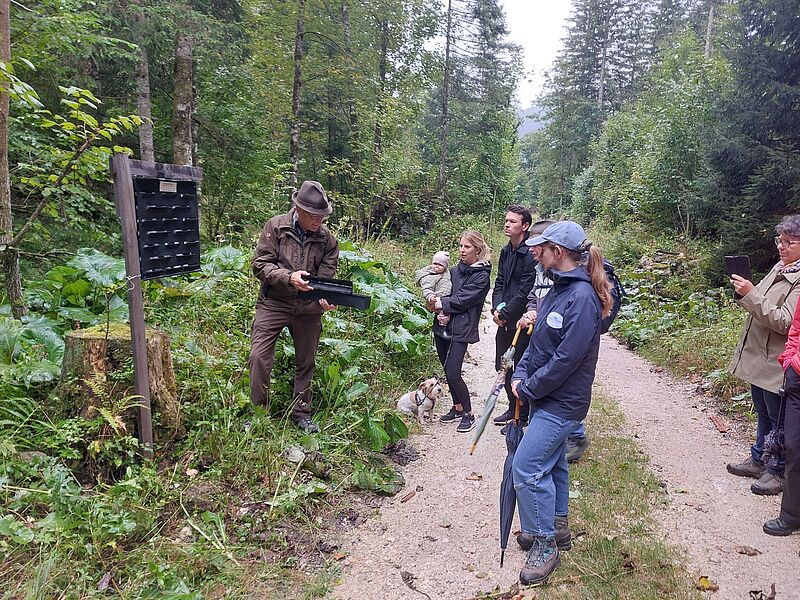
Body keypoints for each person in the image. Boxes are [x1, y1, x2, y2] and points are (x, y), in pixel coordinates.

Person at [509, 221, 612, 585]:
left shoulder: (581, 299)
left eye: (543, 247)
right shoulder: (558, 289)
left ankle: (545, 544)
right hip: (545, 395)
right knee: (552, 465)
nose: (537, 252)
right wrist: (519, 375)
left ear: (559, 252)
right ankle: (558, 525)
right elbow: (540, 345)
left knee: (527, 466)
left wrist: (531, 388)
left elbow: (567, 359)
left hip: (563, 404)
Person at [249, 180, 339, 433]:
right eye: (313, 216)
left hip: (308, 309)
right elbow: (260, 265)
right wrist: (288, 277)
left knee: (306, 361)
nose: (318, 221)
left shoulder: (327, 241)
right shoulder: (276, 227)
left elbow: (325, 278)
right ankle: (259, 415)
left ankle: (301, 413)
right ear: (298, 209)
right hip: (274, 302)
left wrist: (324, 298)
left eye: (322, 216)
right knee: (259, 357)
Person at [727, 215, 800, 495]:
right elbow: (761, 301)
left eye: (789, 243)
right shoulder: (781, 267)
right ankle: (759, 459)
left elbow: (785, 321)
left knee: (778, 417)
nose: (781, 247)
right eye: (779, 241)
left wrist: (751, 294)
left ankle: (777, 471)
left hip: (778, 361)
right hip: (760, 356)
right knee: (762, 412)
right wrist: (745, 291)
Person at [428, 231, 492, 434]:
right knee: (447, 369)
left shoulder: (482, 276)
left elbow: (464, 299)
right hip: (442, 324)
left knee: (454, 372)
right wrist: (433, 300)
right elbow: (440, 287)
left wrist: (442, 304)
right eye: (461, 246)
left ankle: (468, 413)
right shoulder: (453, 270)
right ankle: (457, 408)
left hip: (462, 327)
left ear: (478, 250)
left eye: (467, 247)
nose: (462, 250)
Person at [490, 206, 537, 425]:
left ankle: (523, 414)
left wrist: (507, 313)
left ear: (525, 226)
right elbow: (499, 282)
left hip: (522, 322)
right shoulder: (506, 250)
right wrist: (496, 309)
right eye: (506, 221)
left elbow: (526, 289)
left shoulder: (530, 253)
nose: (507, 224)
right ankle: (512, 408)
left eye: (512, 221)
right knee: (502, 365)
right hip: (505, 320)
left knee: (520, 367)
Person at [764, 297, 800, 535]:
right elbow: (796, 327)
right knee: (794, 446)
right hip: (798, 378)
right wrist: (789, 362)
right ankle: (791, 515)